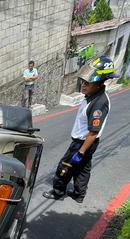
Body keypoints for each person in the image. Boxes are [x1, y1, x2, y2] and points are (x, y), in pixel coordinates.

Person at [43, 56, 117, 203]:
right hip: (87, 142)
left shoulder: (99, 103)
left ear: (98, 84)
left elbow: (93, 132)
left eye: (87, 83)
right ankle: (79, 194)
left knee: (65, 166)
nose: (82, 85)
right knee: (83, 169)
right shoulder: (91, 95)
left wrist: (80, 152)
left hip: (83, 143)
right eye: (82, 82)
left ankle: (58, 192)